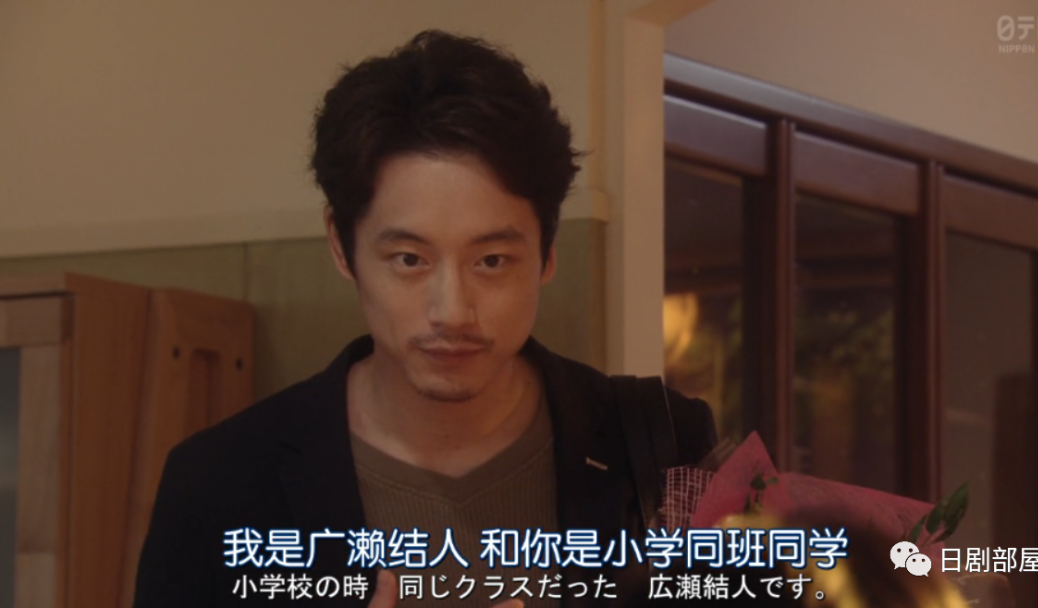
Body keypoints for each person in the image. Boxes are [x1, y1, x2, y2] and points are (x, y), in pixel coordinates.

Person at [133, 29, 716, 607]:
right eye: (410, 260)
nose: (452, 312)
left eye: (491, 260)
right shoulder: (218, 484)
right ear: (341, 245)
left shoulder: (664, 445)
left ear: (547, 252)